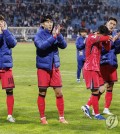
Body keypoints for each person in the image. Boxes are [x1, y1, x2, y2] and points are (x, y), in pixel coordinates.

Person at [34, 14, 68, 124]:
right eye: (47, 22)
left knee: (59, 93)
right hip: (43, 67)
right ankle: (42, 118)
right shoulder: (38, 35)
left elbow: (64, 46)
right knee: (42, 92)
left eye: (51, 22)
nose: (50, 24)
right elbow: (41, 46)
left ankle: (61, 117)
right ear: (42, 24)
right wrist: (53, 37)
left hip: (54, 67)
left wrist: (58, 35)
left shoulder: (55, 33)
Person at [81, 25, 112, 120]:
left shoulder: (98, 39)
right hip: (90, 68)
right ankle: (97, 114)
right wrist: (108, 37)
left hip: (96, 68)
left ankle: (87, 106)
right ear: (99, 33)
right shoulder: (91, 37)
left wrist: (108, 40)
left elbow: (108, 48)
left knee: (102, 89)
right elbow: (103, 37)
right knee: (95, 91)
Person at [100, 17, 120, 115]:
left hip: (112, 63)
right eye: (111, 23)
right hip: (103, 63)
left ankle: (106, 108)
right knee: (102, 87)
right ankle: (88, 104)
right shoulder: (102, 33)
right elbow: (102, 50)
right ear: (107, 23)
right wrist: (112, 41)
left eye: (114, 24)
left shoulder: (114, 34)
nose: (112, 26)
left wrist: (118, 42)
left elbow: (117, 50)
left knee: (110, 86)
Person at [0, 15, 17, 122]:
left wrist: (5, 31)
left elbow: (13, 43)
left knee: (9, 91)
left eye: (1, 21)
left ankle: (9, 115)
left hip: (6, 68)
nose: (0, 23)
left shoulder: (7, 32)